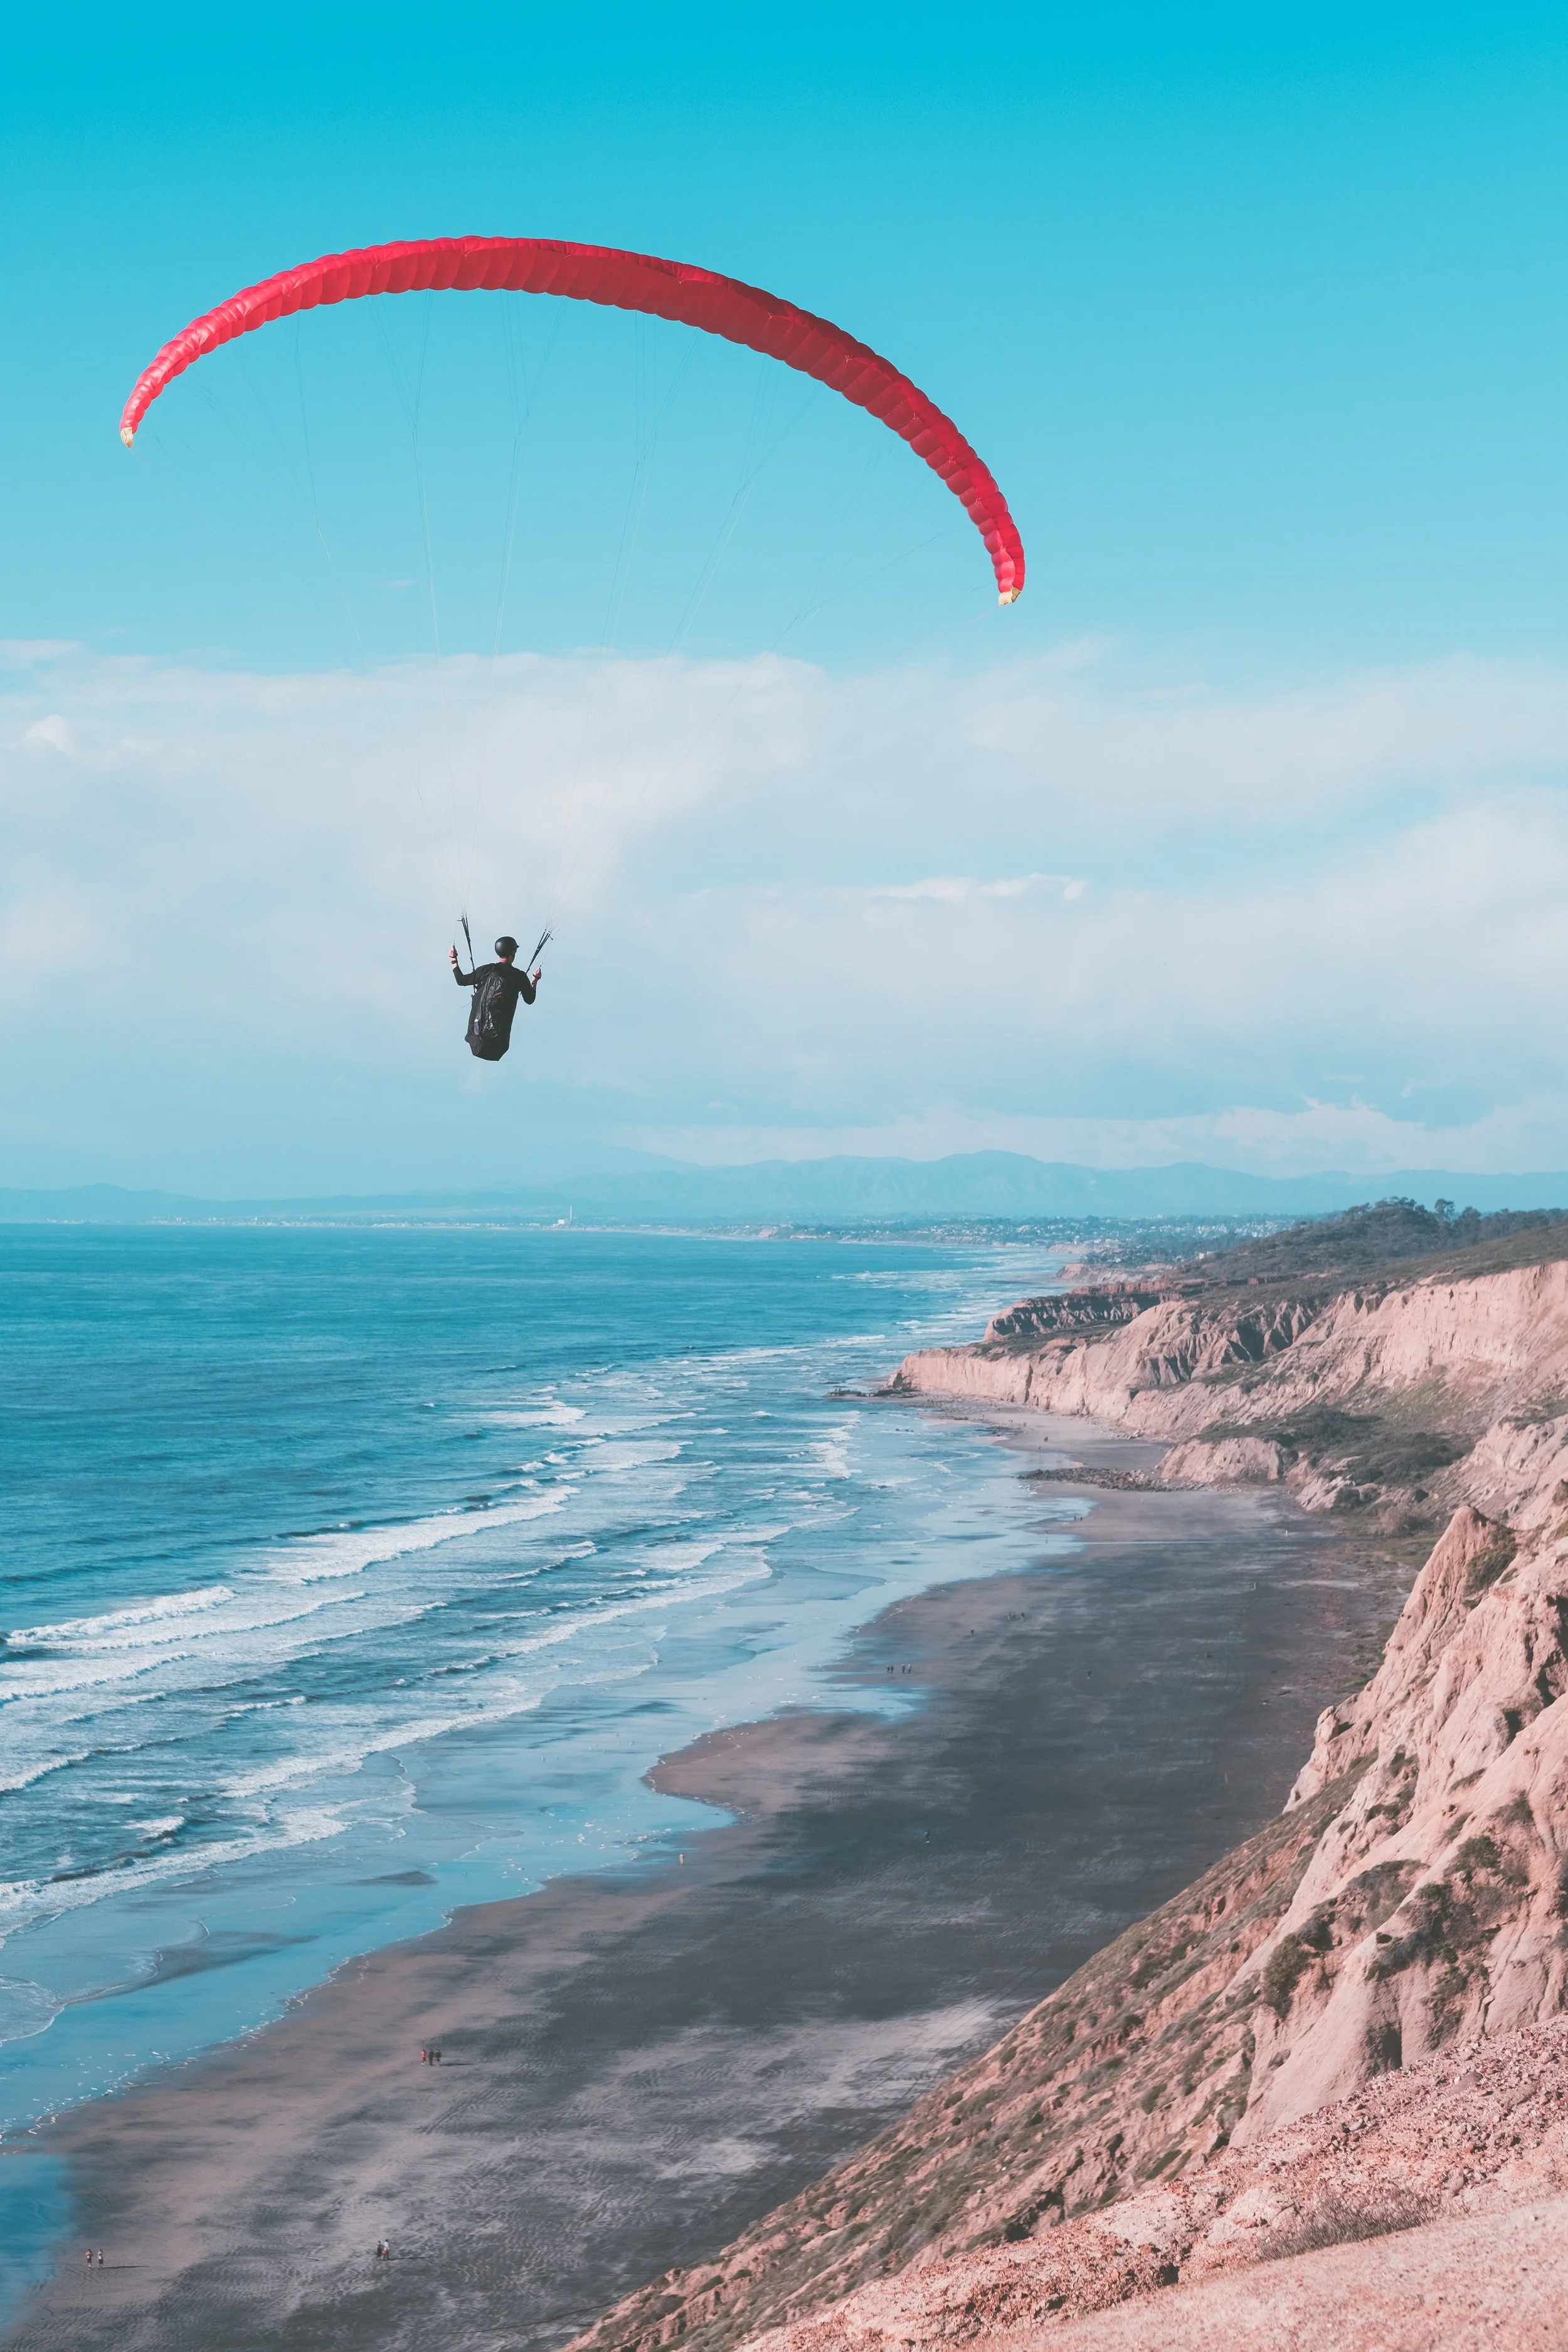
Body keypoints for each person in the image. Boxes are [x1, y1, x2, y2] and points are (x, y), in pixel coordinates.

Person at [449, 935, 542, 1063]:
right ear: (513, 952)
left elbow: (461, 980)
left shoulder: (488, 970)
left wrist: (454, 959)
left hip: (477, 1040)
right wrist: (535, 980)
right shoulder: (519, 977)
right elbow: (530, 999)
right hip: (500, 1046)